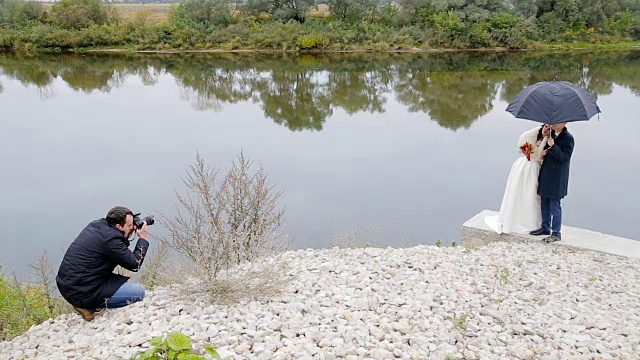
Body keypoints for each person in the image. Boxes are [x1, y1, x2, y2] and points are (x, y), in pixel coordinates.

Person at [56, 206, 150, 321]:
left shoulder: (97, 225)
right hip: (82, 291)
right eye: (129, 226)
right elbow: (135, 264)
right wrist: (143, 239)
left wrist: (127, 232)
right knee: (139, 292)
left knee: (121, 284)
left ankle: (87, 302)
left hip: (69, 284)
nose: (133, 228)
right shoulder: (111, 240)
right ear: (118, 226)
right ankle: (90, 307)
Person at [485, 124, 550, 234]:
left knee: (532, 194)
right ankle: (513, 218)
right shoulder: (529, 136)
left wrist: (544, 153)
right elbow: (524, 150)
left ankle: (532, 222)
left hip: (535, 168)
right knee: (517, 191)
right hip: (524, 166)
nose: (546, 130)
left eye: (549, 129)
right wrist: (530, 152)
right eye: (545, 127)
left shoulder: (549, 141)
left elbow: (540, 157)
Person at [529, 123, 575, 242]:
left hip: (557, 177)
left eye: (557, 122)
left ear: (564, 123)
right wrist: (544, 151)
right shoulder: (551, 134)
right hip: (546, 174)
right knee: (544, 202)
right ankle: (545, 227)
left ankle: (556, 233)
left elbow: (564, 158)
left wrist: (553, 146)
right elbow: (545, 150)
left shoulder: (568, 138)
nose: (553, 124)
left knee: (555, 204)